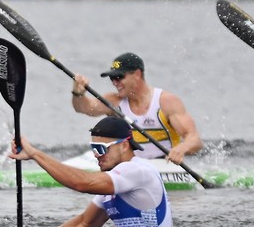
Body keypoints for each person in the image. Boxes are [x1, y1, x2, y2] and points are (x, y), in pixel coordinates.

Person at [9, 117, 172, 227]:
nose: (96, 155)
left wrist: (35, 154)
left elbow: (82, 184)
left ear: (124, 145)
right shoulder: (114, 181)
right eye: (93, 148)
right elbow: (84, 225)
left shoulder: (137, 170)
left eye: (101, 149)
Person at [70, 52, 202, 165]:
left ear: (137, 74)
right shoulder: (114, 101)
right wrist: (78, 93)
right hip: (132, 166)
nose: (115, 82)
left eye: (119, 77)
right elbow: (84, 108)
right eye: (112, 78)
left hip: (164, 165)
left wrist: (181, 149)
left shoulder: (166, 102)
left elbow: (195, 140)